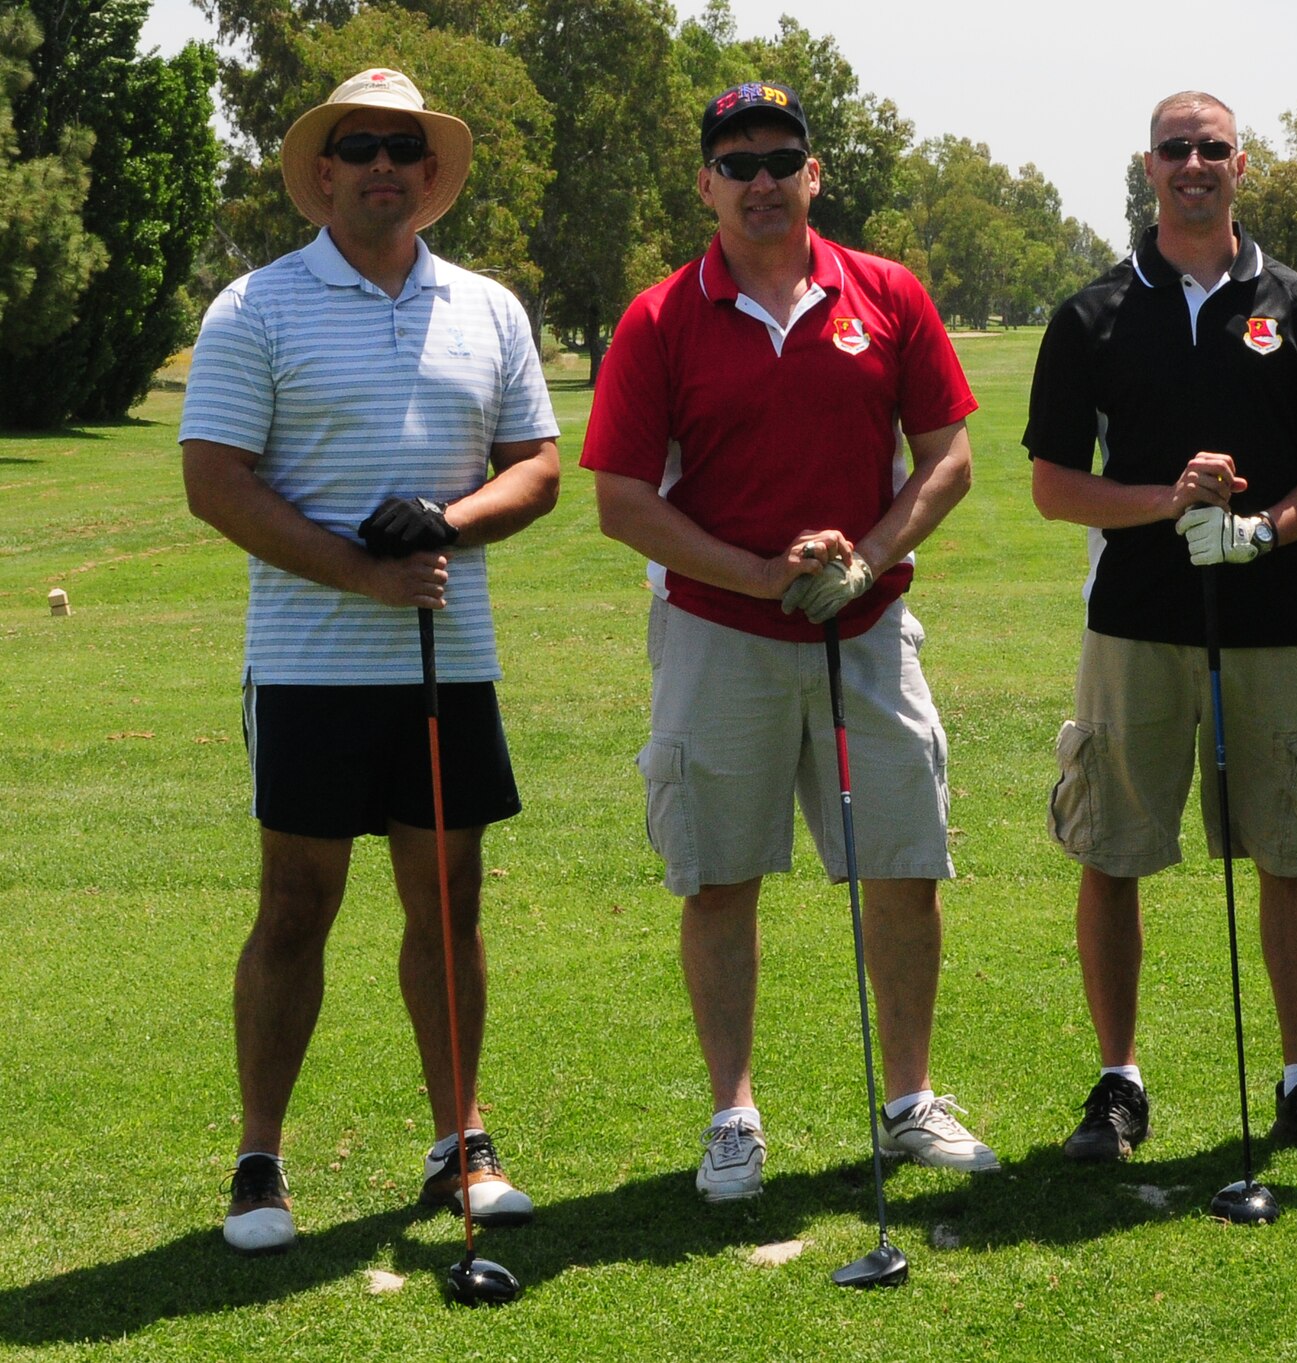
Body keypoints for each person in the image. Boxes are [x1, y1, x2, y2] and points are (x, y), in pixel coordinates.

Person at [582, 81, 995, 1202]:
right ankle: (733, 1116)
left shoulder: (886, 293)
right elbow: (622, 500)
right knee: (717, 877)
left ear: (814, 173)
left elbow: (947, 457)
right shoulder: (659, 316)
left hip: (864, 632)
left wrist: (860, 557)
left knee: (903, 867)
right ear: (707, 181)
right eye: (737, 159)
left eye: (781, 157)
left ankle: (907, 1101)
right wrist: (761, 575)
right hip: (717, 635)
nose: (760, 178)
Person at [180, 70, 560, 1253]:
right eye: (361, 147)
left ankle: (462, 1136)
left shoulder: (487, 308)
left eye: (406, 147)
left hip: (447, 661)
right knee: (296, 905)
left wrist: (446, 524)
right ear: (325, 171)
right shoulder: (255, 307)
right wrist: (360, 571)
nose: (385, 165)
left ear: (429, 173)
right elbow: (214, 480)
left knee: (449, 904)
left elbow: (538, 464)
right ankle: (258, 1159)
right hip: (307, 665)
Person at [1023, 90, 1297, 1164]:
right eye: (1174, 148)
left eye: (1210, 147)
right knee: (1113, 852)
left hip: (1272, 620)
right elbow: (1050, 484)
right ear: (1147, 166)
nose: (1192, 164)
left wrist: (1266, 529)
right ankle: (1118, 1084)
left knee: (1285, 850)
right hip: (1132, 624)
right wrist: (1166, 503)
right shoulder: (1091, 313)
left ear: (1239, 164)